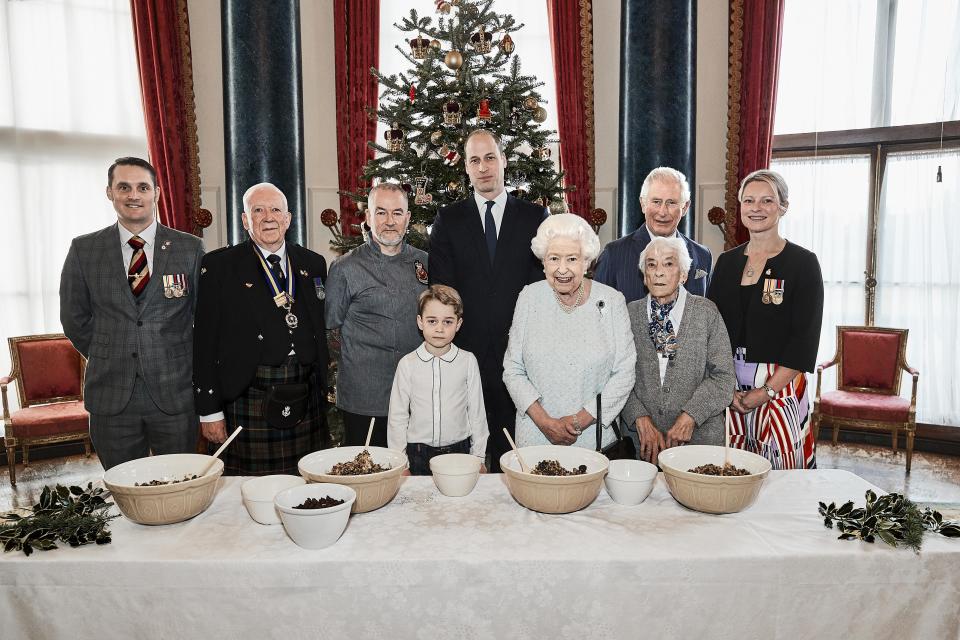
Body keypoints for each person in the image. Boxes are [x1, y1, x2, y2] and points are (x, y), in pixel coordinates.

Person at [59, 157, 205, 470]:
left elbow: (201, 318)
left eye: (142, 187)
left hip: (174, 395)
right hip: (112, 397)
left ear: (157, 193)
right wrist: (109, 352)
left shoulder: (189, 248)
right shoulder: (85, 249)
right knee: (124, 490)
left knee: (179, 486)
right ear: (109, 192)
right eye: (123, 187)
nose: (133, 195)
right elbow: (74, 318)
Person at [429, 129, 547, 471]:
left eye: (490, 157)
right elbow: (444, 290)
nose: (483, 168)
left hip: (521, 359)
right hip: (467, 357)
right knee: (472, 458)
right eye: (475, 160)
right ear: (465, 168)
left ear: (504, 161)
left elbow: (541, 288)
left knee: (518, 459)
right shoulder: (448, 220)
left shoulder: (534, 218)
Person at [193, 182, 329, 475]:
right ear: (245, 220)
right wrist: (209, 410)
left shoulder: (313, 263)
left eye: (275, 209)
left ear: (288, 218)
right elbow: (204, 342)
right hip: (247, 394)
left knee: (309, 484)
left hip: (305, 393)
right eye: (258, 210)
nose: (268, 217)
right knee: (249, 491)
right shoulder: (220, 266)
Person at [707, 169, 824, 470]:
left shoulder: (803, 263)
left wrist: (767, 390)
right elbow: (712, 329)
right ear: (741, 208)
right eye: (749, 201)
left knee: (783, 474)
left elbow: (804, 339)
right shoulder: (726, 262)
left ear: (783, 206)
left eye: (767, 200)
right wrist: (724, 387)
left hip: (780, 383)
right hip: (729, 383)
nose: (756, 208)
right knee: (732, 470)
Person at [503, 214, 636, 450]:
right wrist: (545, 423)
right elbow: (513, 369)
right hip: (535, 435)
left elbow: (624, 373)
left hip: (594, 438)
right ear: (543, 262)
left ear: (586, 262)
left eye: (572, 259)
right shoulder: (529, 298)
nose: (562, 269)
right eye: (553, 258)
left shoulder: (612, 301)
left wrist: (578, 421)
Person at [325, 183, 428, 447]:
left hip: (417, 395)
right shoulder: (344, 268)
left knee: (416, 478)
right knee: (368, 474)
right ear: (368, 218)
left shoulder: (425, 263)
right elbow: (330, 331)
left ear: (407, 218)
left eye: (397, 213)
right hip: (364, 397)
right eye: (381, 213)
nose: (390, 221)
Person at [621, 237, 736, 463]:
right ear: (644, 276)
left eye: (669, 264)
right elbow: (617, 376)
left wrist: (690, 416)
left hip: (700, 442)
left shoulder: (706, 313)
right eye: (651, 265)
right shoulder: (628, 314)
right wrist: (639, 418)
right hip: (643, 445)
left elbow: (723, 378)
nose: (659, 272)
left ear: (683, 274)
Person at [387, 285, 488, 475]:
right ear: (420, 322)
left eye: (448, 322)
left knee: (458, 504)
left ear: (458, 324)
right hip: (418, 453)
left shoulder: (467, 361)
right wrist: (400, 464)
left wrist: (479, 457)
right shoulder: (407, 364)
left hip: (460, 452)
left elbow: (477, 413)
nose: (440, 328)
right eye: (432, 321)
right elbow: (397, 418)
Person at [594, 167, 712, 303]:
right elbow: (597, 314)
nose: (662, 212)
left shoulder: (703, 256)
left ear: (685, 208)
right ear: (643, 204)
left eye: (671, 203)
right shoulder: (614, 254)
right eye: (656, 202)